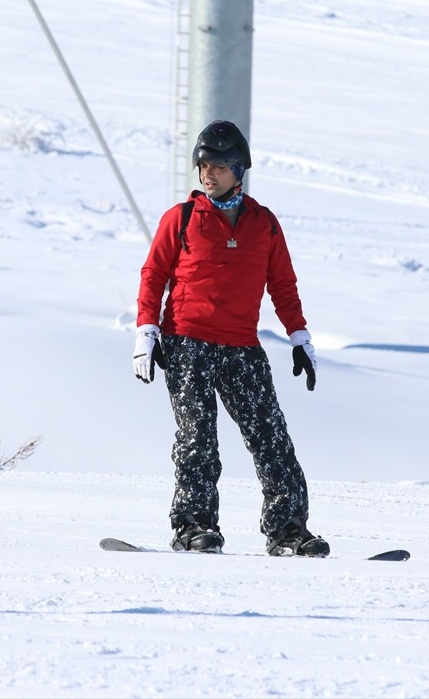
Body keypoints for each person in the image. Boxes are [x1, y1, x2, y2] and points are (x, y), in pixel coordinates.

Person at [133, 119, 329, 558]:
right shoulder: (180, 219)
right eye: (203, 164)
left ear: (240, 169)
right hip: (188, 343)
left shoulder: (264, 225)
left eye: (219, 165)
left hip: (243, 346)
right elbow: (153, 275)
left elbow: (282, 284)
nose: (209, 173)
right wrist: (147, 331)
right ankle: (194, 526)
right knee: (198, 436)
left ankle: (289, 531)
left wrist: (299, 336)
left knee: (271, 436)